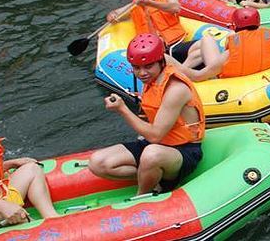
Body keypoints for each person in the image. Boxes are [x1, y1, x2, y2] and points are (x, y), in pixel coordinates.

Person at [88, 34, 205, 195]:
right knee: (97, 163)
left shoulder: (176, 89)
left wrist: (123, 109)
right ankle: (151, 176)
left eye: (148, 67)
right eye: (137, 68)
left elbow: (156, 136)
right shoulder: (152, 77)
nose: (142, 73)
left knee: (151, 154)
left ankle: (143, 196)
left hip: (183, 150)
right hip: (156, 145)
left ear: (160, 62)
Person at [0, 91, 58, 233]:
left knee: (31, 169)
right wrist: (2, 206)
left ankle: (52, 219)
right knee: (4, 211)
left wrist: (10, 163)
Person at [106, 0, 204, 70]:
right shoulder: (135, 5)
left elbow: (175, 8)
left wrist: (150, 3)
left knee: (205, 46)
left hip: (175, 44)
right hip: (154, 50)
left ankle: (179, 70)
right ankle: (180, 70)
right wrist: (111, 16)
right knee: (202, 48)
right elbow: (115, 13)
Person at [189, 8, 270, 81]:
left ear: (235, 24)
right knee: (198, 51)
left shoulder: (230, 53)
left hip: (226, 78)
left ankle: (186, 63)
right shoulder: (269, 43)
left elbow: (198, 76)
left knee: (207, 40)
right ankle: (195, 55)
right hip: (254, 71)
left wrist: (177, 67)